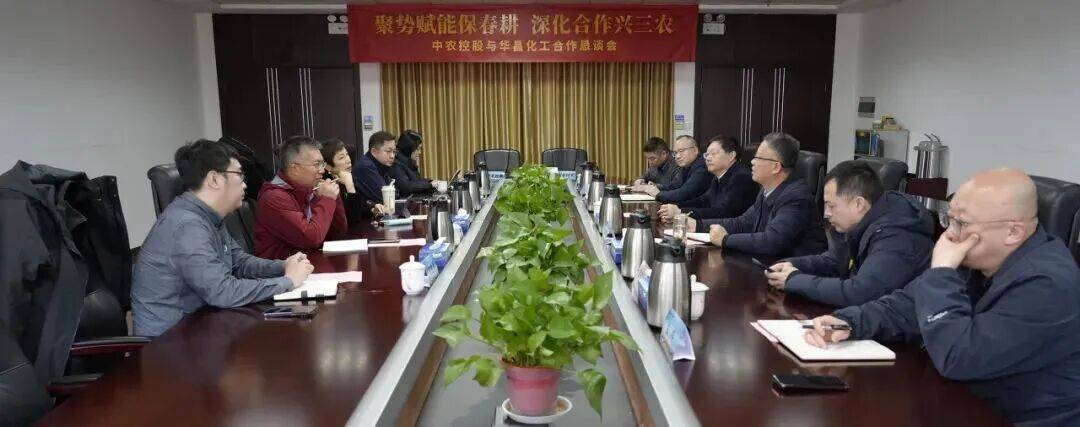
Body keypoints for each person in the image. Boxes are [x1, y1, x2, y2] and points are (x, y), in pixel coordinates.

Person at [805, 168, 1080, 425]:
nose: (950, 234)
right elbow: (909, 304)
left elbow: (959, 357)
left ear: (1013, 232)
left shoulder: (1048, 285)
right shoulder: (979, 257)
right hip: (965, 403)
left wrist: (941, 274)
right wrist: (850, 321)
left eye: (961, 223)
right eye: (949, 219)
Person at [132, 140, 313, 337]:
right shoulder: (187, 225)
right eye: (239, 174)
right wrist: (287, 281)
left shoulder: (209, 216)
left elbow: (239, 263)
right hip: (170, 342)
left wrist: (282, 266)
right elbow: (222, 292)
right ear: (215, 179)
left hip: (201, 325)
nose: (245, 184)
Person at [764, 161, 934, 306]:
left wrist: (795, 280)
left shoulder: (897, 236)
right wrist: (790, 265)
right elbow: (834, 262)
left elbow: (861, 292)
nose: (826, 214)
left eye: (831, 206)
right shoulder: (859, 224)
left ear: (858, 204)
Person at [689, 132, 826, 257]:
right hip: (769, 263)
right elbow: (743, 222)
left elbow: (771, 241)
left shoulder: (796, 197)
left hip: (796, 270)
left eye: (758, 158)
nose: (752, 162)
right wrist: (697, 225)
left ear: (776, 167)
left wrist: (725, 240)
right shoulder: (767, 190)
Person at [254, 136, 348, 259]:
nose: (322, 170)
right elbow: (311, 238)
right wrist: (327, 199)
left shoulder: (308, 189)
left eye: (322, 164)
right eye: (317, 164)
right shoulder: (274, 198)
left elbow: (338, 232)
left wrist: (334, 196)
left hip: (308, 261)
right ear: (295, 169)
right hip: (281, 268)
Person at [657, 135, 758, 223]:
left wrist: (680, 212)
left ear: (731, 156)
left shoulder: (741, 177)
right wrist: (675, 207)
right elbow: (704, 200)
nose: (708, 158)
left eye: (713, 154)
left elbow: (723, 212)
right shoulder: (718, 176)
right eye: (707, 154)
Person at [632, 135, 711, 204]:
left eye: (681, 151)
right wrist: (653, 187)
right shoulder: (686, 166)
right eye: (675, 153)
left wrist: (658, 194)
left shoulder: (702, 168)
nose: (678, 156)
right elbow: (674, 186)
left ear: (695, 150)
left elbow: (683, 193)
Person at [320, 138, 371, 225]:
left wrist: (372, 208)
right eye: (341, 158)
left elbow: (361, 206)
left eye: (347, 154)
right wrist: (350, 187)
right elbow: (352, 219)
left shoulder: (347, 176)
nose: (348, 160)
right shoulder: (326, 186)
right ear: (328, 167)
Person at [390, 130, 446, 197]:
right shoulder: (397, 165)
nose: (419, 152)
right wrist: (430, 184)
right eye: (417, 149)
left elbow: (417, 181)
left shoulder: (408, 163)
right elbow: (406, 187)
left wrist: (431, 181)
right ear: (408, 149)